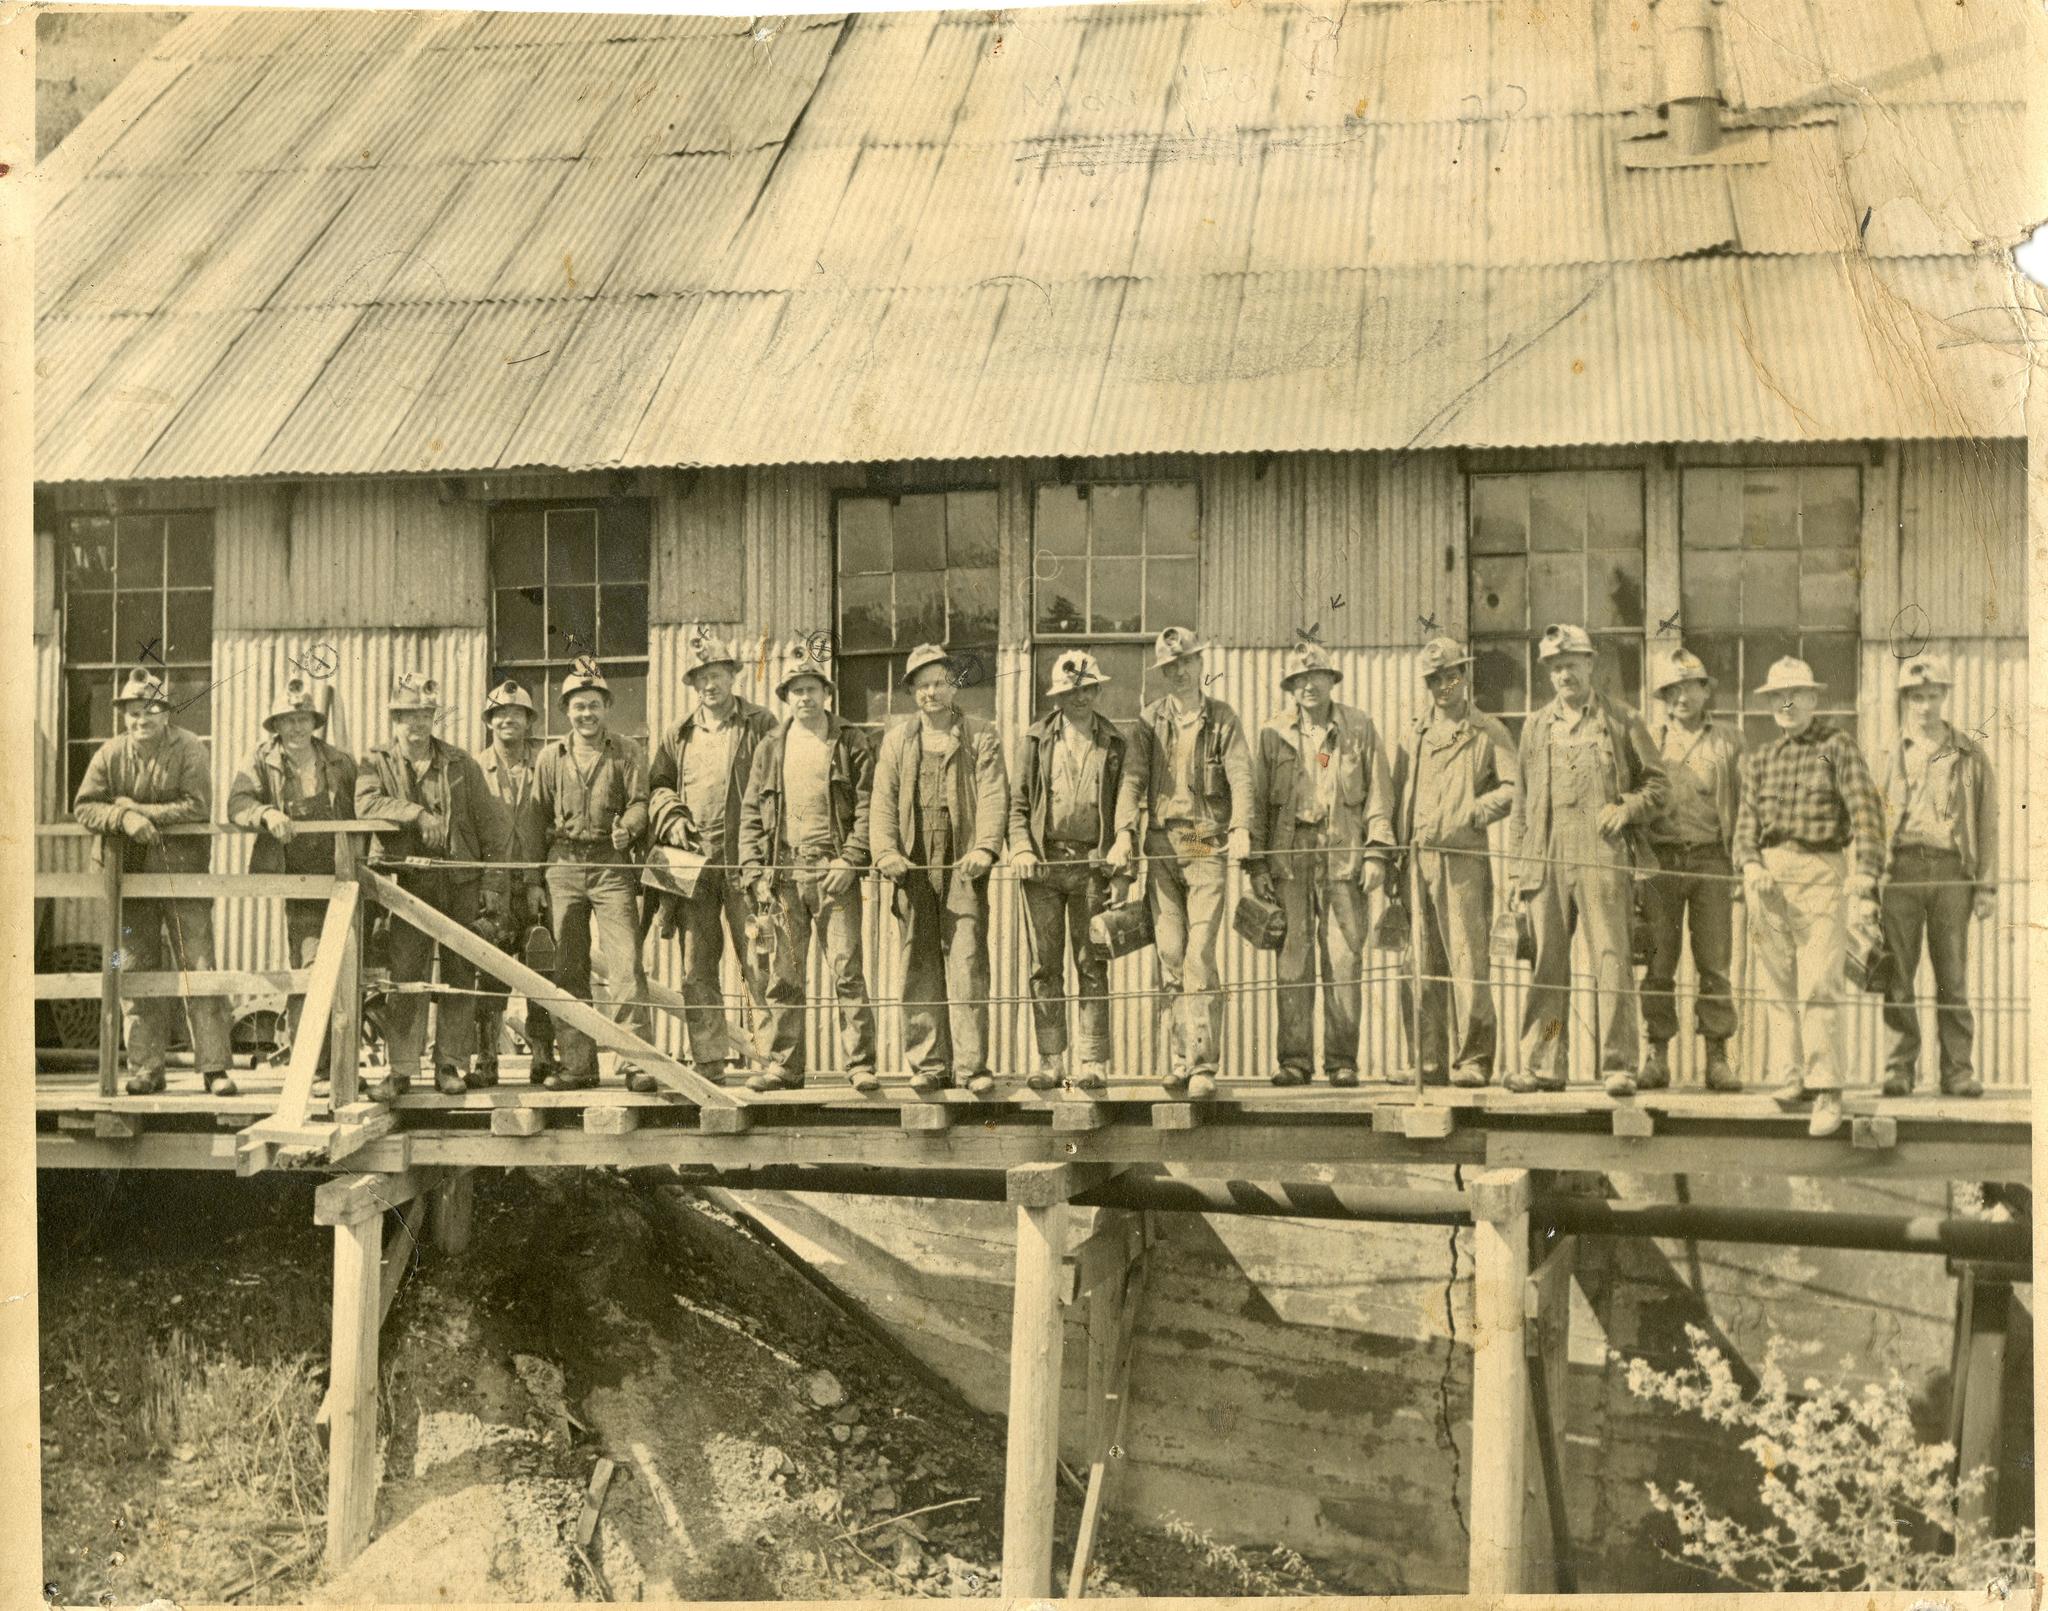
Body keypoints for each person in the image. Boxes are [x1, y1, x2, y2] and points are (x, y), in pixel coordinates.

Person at [1508, 624, 1666, 1097]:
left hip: (1603, 853)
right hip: (1547, 854)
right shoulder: (1536, 726)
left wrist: (1627, 808)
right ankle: (1546, 1063)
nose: (1565, 674)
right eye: (1556, 667)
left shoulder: (1622, 720)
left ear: (1591, 663)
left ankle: (1619, 1065)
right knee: (1549, 966)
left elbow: (1659, 787)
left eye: (1572, 664)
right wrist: (1517, 871)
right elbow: (1521, 803)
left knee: (1611, 959)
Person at [1732, 656, 1886, 1138]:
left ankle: (1826, 1088)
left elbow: (1867, 815)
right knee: (1777, 984)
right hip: (1769, 878)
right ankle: (1791, 1077)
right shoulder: (1760, 760)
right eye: (1778, 696)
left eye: (1796, 694)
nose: (1787, 703)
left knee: (1819, 982)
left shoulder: (1837, 747)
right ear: (1769, 704)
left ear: (1814, 699)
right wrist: (1752, 865)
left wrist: (1865, 874)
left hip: (1821, 870)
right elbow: (1744, 829)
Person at [73, 667, 236, 1098]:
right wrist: (122, 817)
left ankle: (215, 1068)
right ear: (123, 715)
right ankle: (146, 1068)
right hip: (128, 879)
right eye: (133, 712)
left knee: (199, 966)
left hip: (183, 874)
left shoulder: (190, 748)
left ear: (166, 713)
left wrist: (141, 812)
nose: (140, 719)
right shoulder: (110, 754)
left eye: (149, 710)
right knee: (132, 966)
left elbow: (197, 807)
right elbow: (85, 806)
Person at [1118, 626, 1256, 1100]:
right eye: (1170, 667)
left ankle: (1201, 1064)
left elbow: (1241, 775)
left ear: (1200, 665)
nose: (1179, 672)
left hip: (1202, 840)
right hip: (1162, 843)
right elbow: (1132, 779)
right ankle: (1179, 1061)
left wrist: (1241, 827)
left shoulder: (1223, 718)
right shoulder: (1149, 720)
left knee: (1198, 954)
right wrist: (1123, 832)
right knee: (1171, 954)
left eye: (1187, 663)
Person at [1250, 642, 1395, 1087]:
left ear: (1331, 680)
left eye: (1316, 677)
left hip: (1343, 856)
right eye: (1299, 680)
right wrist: (1258, 866)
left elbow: (1379, 796)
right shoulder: (1272, 734)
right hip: (1290, 858)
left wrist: (1376, 852)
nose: (1308, 686)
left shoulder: (1359, 728)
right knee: (1292, 958)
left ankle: (1342, 1061)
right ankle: (1294, 1060)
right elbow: (1257, 805)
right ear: (1290, 687)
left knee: (1344, 959)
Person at [737, 644, 878, 1093]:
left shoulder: (849, 741)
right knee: (784, 975)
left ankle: (860, 1065)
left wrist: (850, 859)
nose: (805, 698)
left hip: (833, 872)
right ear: (786, 697)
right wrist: (754, 870)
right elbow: (751, 814)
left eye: (812, 689)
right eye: (797, 690)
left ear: (825, 693)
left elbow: (868, 806)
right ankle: (784, 1066)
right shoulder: (771, 747)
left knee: (847, 970)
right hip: (783, 875)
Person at [871, 644, 1009, 1096]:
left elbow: (993, 795)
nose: (931, 693)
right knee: (919, 961)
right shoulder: (898, 740)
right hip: (913, 865)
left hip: (962, 862)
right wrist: (886, 853)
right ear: (913, 692)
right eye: (922, 686)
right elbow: (883, 802)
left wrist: (985, 848)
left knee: (966, 961)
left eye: (939, 683)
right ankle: (929, 1065)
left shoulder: (980, 735)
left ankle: (971, 1067)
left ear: (954, 685)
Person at [648, 629, 780, 1085]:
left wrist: (766, 854)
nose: (710, 684)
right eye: (702, 677)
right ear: (693, 683)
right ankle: (709, 1061)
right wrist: (671, 816)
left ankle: (773, 1062)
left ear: (732, 677)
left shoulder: (761, 724)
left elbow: (777, 784)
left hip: (746, 862)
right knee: (696, 966)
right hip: (694, 866)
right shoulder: (679, 734)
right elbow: (657, 786)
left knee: (759, 964)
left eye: (717, 674)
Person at [356, 672, 495, 1100]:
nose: (416, 723)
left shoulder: (460, 763)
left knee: (459, 973)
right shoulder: (375, 761)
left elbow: (488, 824)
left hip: (459, 880)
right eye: (408, 715)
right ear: (394, 719)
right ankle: (400, 1070)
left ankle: (449, 1064)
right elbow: (365, 803)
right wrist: (417, 814)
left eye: (424, 715)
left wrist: (491, 883)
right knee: (406, 977)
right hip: (408, 884)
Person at [1390, 637, 1518, 1088]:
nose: (1443, 687)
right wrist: (1394, 859)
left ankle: (1474, 1060)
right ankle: (1427, 1061)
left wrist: (1473, 813)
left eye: (1450, 677)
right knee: (1419, 965)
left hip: (1463, 862)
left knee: (1468, 963)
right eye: (1434, 680)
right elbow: (1398, 796)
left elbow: (1513, 788)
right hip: (1416, 861)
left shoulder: (1488, 731)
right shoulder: (1414, 734)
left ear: (1465, 676)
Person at [226, 675, 357, 1093]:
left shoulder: (339, 762)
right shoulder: (261, 760)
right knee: (309, 967)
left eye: (303, 719)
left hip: (342, 876)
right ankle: (311, 1063)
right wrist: (266, 814)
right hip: (298, 882)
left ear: (314, 723)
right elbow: (237, 803)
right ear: (277, 725)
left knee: (348, 968)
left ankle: (340, 1066)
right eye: (288, 720)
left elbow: (362, 808)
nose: (296, 728)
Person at [1009, 650, 1131, 1093]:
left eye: (1088, 689)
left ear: (1098, 691)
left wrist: (1121, 869)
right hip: (1043, 867)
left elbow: (1126, 810)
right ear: (1057, 697)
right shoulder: (1036, 740)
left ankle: (1093, 1061)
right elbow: (1018, 805)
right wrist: (1022, 847)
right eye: (1071, 691)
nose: (1081, 697)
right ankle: (1051, 1060)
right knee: (1044, 966)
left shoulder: (1114, 743)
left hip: (1091, 868)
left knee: (1091, 962)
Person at [1878, 655, 1995, 1098]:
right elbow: (1871, 818)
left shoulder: (1969, 752)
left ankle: (1957, 1071)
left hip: (1951, 872)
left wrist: (1985, 886)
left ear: (1944, 696)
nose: (1924, 706)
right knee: (1898, 974)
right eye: (1916, 697)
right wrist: (1870, 879)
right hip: (1902, 871)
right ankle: (1899, 1069)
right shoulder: (1889, 752)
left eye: (1931, 696)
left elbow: (1987, 821)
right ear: (1905, 700)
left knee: (1953, 975)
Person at [533, 662, 654, 1092]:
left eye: (594, 705)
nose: (587, 714)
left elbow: (641, 802)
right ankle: (578, 1065)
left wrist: (629, 828)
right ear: (566, 710)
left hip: (610, 864)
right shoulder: (550, 757)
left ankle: (637, 1064)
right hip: (563, 866)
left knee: (625, 965)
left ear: (607, 707)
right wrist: (535, 880)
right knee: (568, 967)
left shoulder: (626, 751)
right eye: (579, 706)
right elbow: (537, 817)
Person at [1639, 648, 1743, 1092]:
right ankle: (1656, 1055)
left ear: (1705, 692)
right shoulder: (1649, 739)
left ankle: (1717, 1058)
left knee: (1714, 963)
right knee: (1659, 962)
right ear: (1664, 696)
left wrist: (1742, 862)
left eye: (1690, 688)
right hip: (1661, 862)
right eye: (1673, 690)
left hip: (1711, 860)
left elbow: (1745, 804)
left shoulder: (1729, 740)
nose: (1682, 697)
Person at [472, 678, 558, 1089]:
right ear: (490, 721)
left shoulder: (545, 766)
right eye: (500, 714)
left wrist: (539, 878)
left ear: (528, 721)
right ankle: (487, 1059)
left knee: (542, 971)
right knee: (490, 974)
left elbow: (553, 824)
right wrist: (483, 882)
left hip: (536, 887)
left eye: (517, 714)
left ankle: (543, 1056)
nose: (508, 720)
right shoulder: (474, 769)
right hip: (492, 889)